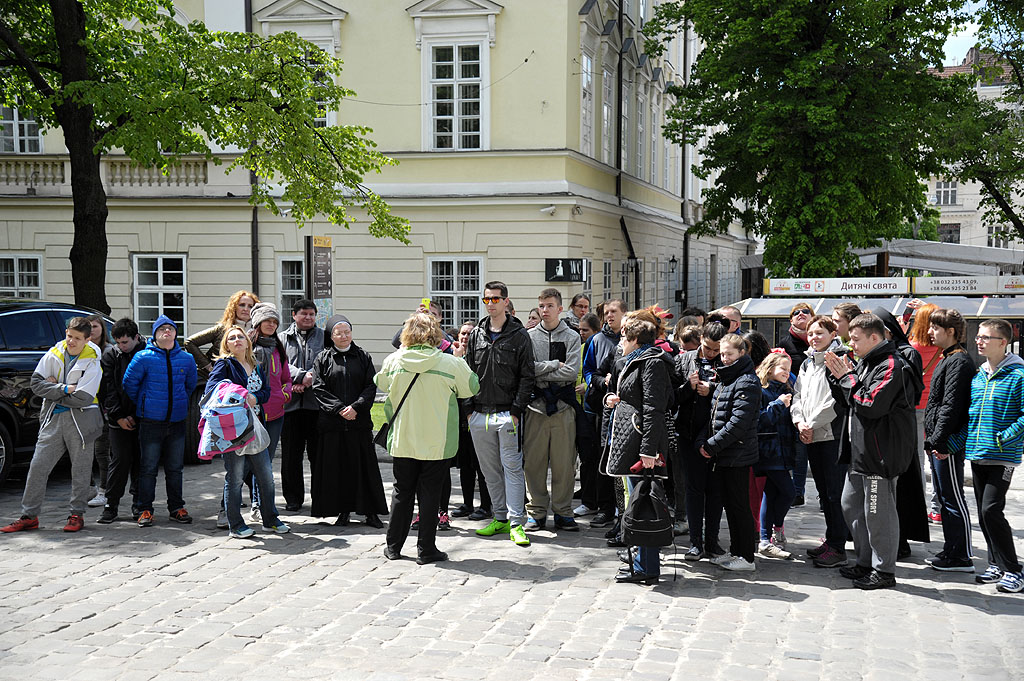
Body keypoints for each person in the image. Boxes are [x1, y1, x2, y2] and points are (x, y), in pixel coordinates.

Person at [376, 313, 480, 563]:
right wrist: (459, 359)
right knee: (430, 494)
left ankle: (393, 546)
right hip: (437, 439)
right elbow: (472, 387)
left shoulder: (394, 359)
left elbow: (381, 383)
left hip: (404, 438)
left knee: (402, 492)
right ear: (436, 334)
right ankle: (426, 549)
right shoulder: (449, 363)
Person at [826, 313, 916, 590]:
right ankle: (865, 562)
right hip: (860, 451)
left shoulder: (892, 365)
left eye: (855, 339)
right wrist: (837, 377)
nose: (850, 344)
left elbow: (870, 403)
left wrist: (847, 377)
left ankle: (884, 570)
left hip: (881, 453)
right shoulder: (867, 362)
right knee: (851, 505)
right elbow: (848, 402)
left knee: (878, 513)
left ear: (874, 338)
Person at [1, 318, 104, 534]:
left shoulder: (93, 360)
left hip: (83, 421)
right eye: (69, 336)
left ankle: (77, 514)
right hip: (53, 420)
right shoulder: (54, 352)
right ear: (66, 332)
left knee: (81, 470)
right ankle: (29, 516)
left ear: (87, 339)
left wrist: (53, 389)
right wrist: (65, 389)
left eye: (77, 338)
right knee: (38, 466)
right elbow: (36, 384)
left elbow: (84, 397)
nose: (72, 341)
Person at [457, 281, 536, 547]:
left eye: (495, 299)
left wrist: (516, 411)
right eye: (486, 300)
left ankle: (516, 522)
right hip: (479, 413)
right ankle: (499, 517)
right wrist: (468, 411)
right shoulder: (477, 334)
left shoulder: (519, 335)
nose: (490, 304)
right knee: (489, 470)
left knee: (512, 467)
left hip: (507, 413)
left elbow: (527, 376)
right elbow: (466, 374)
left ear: (506, 301)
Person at [950, 318, 1024, 592]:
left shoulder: (1018, 376)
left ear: (1002, 342)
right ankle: (995, 564)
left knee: (991, 510)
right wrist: (954, 444)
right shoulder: (979, 376)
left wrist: (1004, 437)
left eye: (985, 337)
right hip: (977, 453)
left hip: (1002, 456)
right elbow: (971, 417)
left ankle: (1014, 570)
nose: (978, 341)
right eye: (978, 336)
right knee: (983, 513)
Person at [603, 313, 673, 585]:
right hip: (629, 438)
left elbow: (654, 408)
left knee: (644, 502)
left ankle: (647, 566)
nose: (620, 341)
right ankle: (641, 562)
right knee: (635, 500)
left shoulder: (652, 363)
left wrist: (648, 449)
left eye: (623, 336)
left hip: (641, 441)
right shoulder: (633, 361)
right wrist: (613, 398)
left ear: (633, 339)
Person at [206, 326, 290, 538]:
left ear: (247, 341)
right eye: (232, 338)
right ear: (226, 344)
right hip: (233, 429)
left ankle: (269, 519)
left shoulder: (255, 364)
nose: (236, 340)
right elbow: (212, 389)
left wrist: (256, 398)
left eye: (240, 337)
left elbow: (265, 392)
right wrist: (241, 395)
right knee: (234, 478)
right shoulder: (224, 365)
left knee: (266, 476)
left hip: (255, 427)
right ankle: (235, 525)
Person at [120, 316, 198, 528]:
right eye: (162, 329)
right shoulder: (143, 357)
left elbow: (190, 385)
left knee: (175, 468)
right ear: (154, 334)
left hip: (177, 421)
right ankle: (145, 508)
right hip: (151, 421)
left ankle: (176, 507)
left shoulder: (186, 359)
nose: (166, 332)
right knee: (148, 467)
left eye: (170, 328)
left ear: (175, 333)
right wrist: (146, 402)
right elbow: (130, 384)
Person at [311, 315, 387, 528]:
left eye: (347, 331)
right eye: (339, 332)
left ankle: (371, 512)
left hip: (358, 422)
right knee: (338, 469)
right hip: (333, 424)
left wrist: (356, 407)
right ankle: (342, 511)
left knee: (365, 468)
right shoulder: (323, 358)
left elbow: (371, 386)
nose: (344, 336)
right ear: (331, 335)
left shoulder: (363, 356)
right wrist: (338, 409)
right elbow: (318, 388)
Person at [791, 316, 850, 568]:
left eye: (820, 333)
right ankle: (831, 539)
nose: (814, 337)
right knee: (824, 494)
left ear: (832, 333)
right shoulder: (807, 363)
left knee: (834, 493)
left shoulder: (839, 360)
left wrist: (810, 424)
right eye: (811, 333)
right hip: (811, 434)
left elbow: (835, 402)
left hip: (830, 435)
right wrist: (799, 422)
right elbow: (798, 395)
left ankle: (838, 547)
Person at [700, 333, 760, 572]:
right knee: (731, 506)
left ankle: (746, 557)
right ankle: (736, 551)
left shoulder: (746, 380)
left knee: (739, 506)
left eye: (729, 354)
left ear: (741, 354)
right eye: (722, 354)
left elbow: (738, 423)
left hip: (737, 455)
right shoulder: (727, 379)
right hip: (725, 455)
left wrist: (711, 445)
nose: (724, 358)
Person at [922, 308, 976, 573]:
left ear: (951, 332)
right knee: (944, 497)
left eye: (935, 328)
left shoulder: (959, 361)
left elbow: (951, 406)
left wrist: (939, 441)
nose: (930, 332)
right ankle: (951, 549)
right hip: (938, 441)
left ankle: (962, 555)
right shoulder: (947, 358)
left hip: (948, 443)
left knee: (953, 497)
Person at [523, 289, 582, 532]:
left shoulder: (571, 336)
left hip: (562, 407)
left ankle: (563, 511)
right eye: (541, 305)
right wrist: (551, 365)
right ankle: (536, 511)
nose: (544, 310)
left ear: (559, 308)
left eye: (549, 305)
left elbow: (571, 371)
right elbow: (526, 369)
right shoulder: (528, 337)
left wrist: (542, 371)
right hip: (535, 408)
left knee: (564, 464)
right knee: (534, 464)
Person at [873, 307, 929, 558]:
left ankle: (901, 540)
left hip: (897, 427)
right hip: (880, 429)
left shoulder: (905, 353)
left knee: (902, 487)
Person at [675, 318, 727, 561]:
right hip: (687, 433)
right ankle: (695, 541)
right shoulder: (684, 359)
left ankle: (712, 540)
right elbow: (671, 397)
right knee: (693, 489)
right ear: (701, 340)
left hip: (717, 436)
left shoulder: (729, 361)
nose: (712, 353)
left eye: (717, 350)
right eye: (708, 348)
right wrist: (689, 387)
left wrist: (713, 389)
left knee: (715, 490)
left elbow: (738, 392)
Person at [577, 299, 626, 526]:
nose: (609, 316)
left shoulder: (631, 340)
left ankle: (620, 508)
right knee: (596, 456)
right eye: (606, 312)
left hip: (624, 410)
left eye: (614, 312)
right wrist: (597, 383)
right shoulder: (597, 340)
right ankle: (598, 504)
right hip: (597, 406)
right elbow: (589, 371)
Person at [97, 318, 146, 524]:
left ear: (136, 338)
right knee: (119, 460)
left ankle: (139, 502)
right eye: (118, 342)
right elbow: (107, 389)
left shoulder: (147, 354)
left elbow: (148, 388)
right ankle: (111, 504)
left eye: (125, 342)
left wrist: (135, 416)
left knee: (141, 461)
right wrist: (117, 416)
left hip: (143, 417)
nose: (121, 346)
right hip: (118, 419)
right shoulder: (111, 355)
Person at [278, 299, 326, 511]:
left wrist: (308, 379)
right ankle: (293, 498)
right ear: (294, 315)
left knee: (318, 455)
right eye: (303, 314)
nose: (308, 318)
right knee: (290, 456)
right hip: (290, 406)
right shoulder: (281, 339)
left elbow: (327, 362)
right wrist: (297, 378)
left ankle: (321, 497)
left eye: (311, 314)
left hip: (317, 406)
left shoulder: (325, 337)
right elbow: (280, 364)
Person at [249, 303, 293, 522]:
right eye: (267, 320)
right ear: (258, 323)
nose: (271, 324)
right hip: (252, 414)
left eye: (275, 321)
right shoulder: (247, 346)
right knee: (251, 462)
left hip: (275, 413)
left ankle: (261, 504)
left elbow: (286, 378)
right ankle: (256, 503)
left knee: (265, 461)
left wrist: (285, 394)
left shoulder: (278, 348)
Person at [755, 350, 796, 560]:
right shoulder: (762, 390)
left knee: (771, 494)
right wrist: (779, 404)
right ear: (770, 368)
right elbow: (759, 420)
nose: (787, 373)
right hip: (768, 451)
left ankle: (765, 539)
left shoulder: (788, 388)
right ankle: (776, 529)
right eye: (782, 369)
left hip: (784, 450)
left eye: (789, 370)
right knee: (789, 492)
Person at [449, 321, 491, 521]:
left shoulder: (480, 358)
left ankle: (485, 505)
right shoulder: (452, 360)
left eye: (469, 334)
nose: (465, 337)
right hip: (458, 420)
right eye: (462, 334)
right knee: (465, 465)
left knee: (481, 465)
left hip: (477, 416)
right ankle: (467, 503)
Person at [906, 302, 943, 523]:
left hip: (916, 407)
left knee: (917, 460)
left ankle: (918, 506)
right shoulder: (942, 347)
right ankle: (937, 508)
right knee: (935, 459)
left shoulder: (914, 347)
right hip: (935, 407)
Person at [184, 290, 259, 378]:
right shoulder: (221, 329)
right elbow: (189, 342)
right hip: (216, 379)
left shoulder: (257, 332)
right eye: (242, 305)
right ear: (234, 307)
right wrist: (208, 367)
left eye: (250, 306)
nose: (246, 309)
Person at [85, 314, 112, 509]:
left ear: (102, 329)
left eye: (95, 326)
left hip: (102, 408)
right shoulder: (80, 350)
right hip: (83, 407)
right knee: (83, 451)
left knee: (101, 451)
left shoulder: (108, 351)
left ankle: (105, 490)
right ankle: (88, 488)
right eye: (89, 327)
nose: (92, 330)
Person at [778, 302, 813, 368]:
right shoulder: (784, 344)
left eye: (805, 311)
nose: (801, 313)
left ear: (813, 317)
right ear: (791, 321)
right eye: (796, 313)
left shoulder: (822, 339)